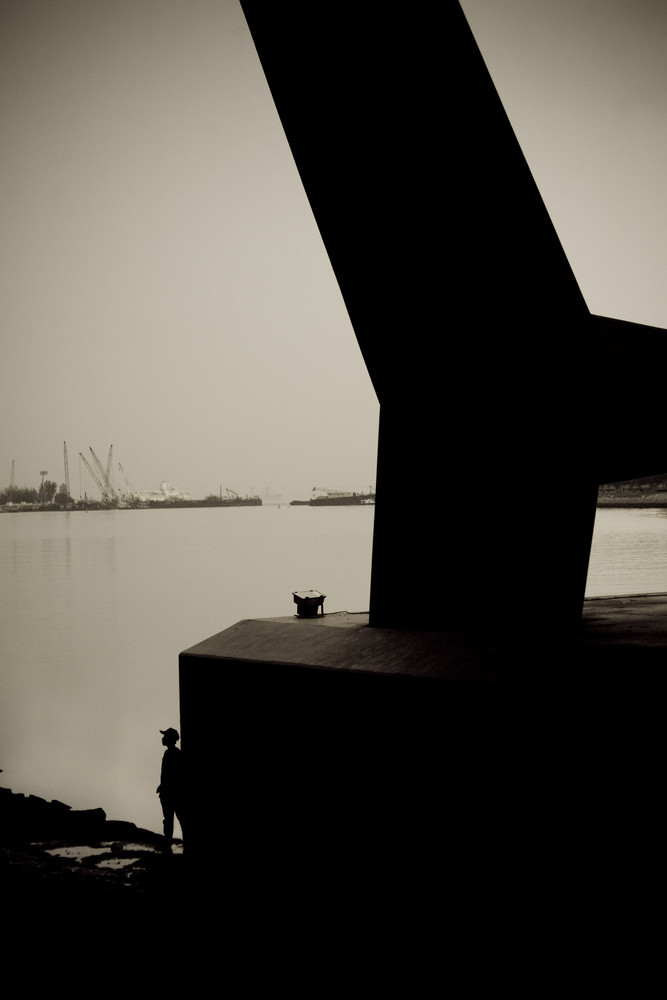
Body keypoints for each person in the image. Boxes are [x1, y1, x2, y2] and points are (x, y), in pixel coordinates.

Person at [156, 727, 184, 851]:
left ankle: (167, 844)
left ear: (170, 739)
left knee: (173, 819)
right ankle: (167, 843)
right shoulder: (172, 753)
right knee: (171, 819)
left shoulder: (173, 754)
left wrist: (165, 787)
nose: (162, 738)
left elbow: (172, 775)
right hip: (170, 792)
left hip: (171, 793)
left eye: (165, 736)